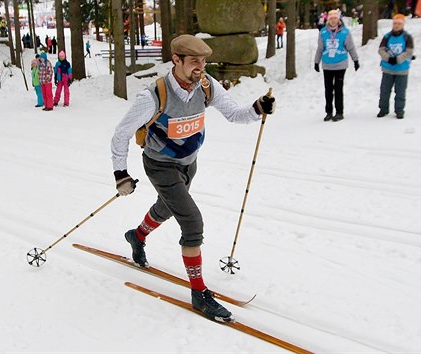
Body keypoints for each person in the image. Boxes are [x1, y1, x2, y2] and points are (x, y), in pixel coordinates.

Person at [110, 34, 275, 322]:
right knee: (192, 222)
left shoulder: (207, 86)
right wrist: (120, 173)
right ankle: (199, 294)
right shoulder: (153, 95)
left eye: (204, 61)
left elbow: (235, 115)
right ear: (176, 60)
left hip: (189, 163)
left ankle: (136, 237)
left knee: (167, 208)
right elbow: (122, 133)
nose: (201, 67)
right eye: (194, 61)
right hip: (160, 165)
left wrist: (257, 108)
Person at [314, 9, 359, 122]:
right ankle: (329, 112)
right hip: (327, 64)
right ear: (328, 19)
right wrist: (316, 62)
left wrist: (355, 60)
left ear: (338, 19)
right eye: (331, 18)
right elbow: (320, 48)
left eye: (335, 18)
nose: (333, 20)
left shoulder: (345, 32)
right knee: (328, 90)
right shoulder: (323, 32)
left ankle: (339, 112)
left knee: (338, 89)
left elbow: (351, 47)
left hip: (340, 64)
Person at [377, 14, 414, 119]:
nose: (397, 25)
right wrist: (388, 58)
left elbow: (409, 52)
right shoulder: (387, 36)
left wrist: (398, 59)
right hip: (388, 68)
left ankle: (399, 110)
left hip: (402, 69)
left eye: (399, 24)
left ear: (402, 25)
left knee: (400, 92)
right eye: (395, 23)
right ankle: (383, 109)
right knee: (384, 91)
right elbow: (381, 49)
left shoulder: (407, 37)